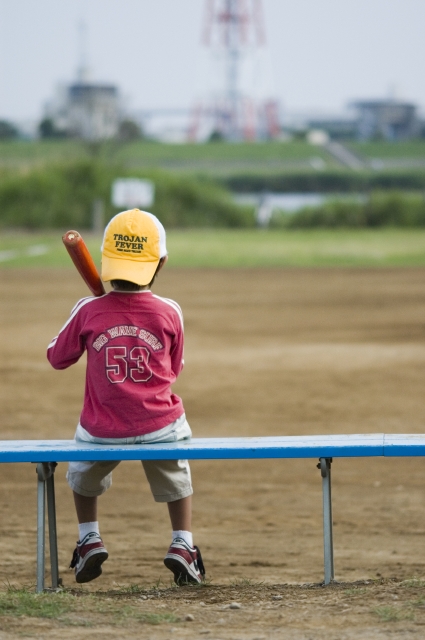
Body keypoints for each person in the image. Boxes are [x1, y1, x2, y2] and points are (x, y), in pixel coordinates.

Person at [47, 208, 205, 586]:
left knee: (82, 475)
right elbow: (175, 367)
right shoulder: (171, 312)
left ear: (106, 260)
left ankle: (89, 537)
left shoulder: (88, 309)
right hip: (160, 426)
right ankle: (183, 543)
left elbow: (57, 357)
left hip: (102, 429)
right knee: (176, 466)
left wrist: (90, 318)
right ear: (160, 262)